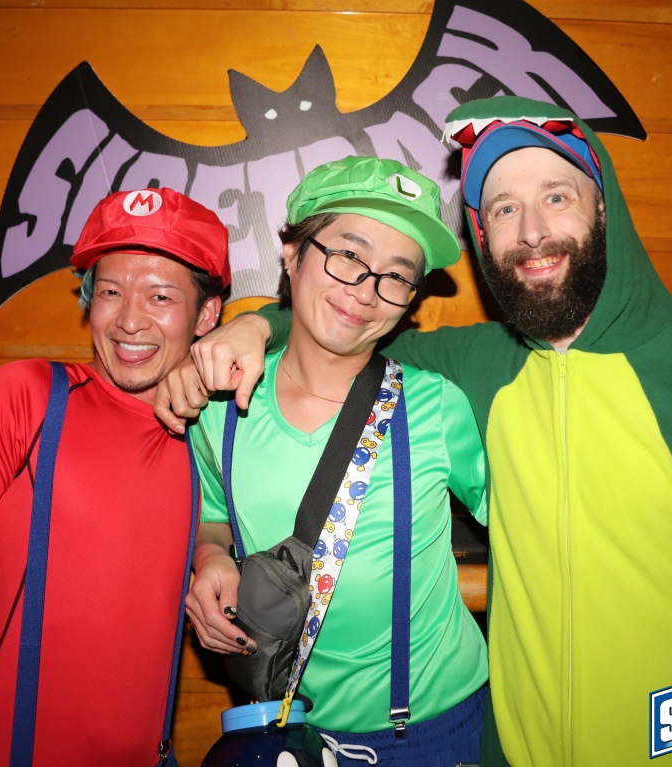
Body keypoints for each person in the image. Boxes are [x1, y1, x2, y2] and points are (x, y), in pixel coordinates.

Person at [157, 98, 672, 765]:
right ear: (483, 236)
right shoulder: (476, 368)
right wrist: (255, 326)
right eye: (505, 208)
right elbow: (341, 332)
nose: (532, 230)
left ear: (603, 208)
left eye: (556, 197)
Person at [0, 187, 229, 767]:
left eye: (161, 296)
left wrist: (256, 329)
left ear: (207, 315)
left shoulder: (214, 431)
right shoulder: (23, 399)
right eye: (110, 292)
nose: (130, 319)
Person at [183, 156, 490, 765]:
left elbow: (524, 530)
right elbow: (212, 515)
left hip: (435, 729)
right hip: (287, 731)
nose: (366, 291)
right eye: (349, 255)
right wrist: (210, 555)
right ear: (291, 254)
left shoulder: (436, 408)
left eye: (396, 276)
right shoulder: (219, 410)